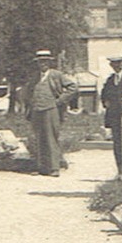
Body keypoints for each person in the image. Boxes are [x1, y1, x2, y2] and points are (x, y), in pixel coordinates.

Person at [24, 49, 77, 177]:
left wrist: (59, 101)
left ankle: (54, 167)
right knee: (39, 138)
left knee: (51, 137)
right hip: (37, 110)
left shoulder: (56, 75)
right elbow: (29, 91)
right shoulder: (35, 76)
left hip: (51, 109)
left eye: (45, 61)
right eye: (40, 62)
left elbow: (72, 87)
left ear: (49, 62)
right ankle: (42, 167)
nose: (43, 64)